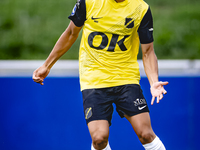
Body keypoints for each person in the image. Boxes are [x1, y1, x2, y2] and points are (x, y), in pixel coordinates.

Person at [32, 0, 168, 149]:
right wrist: (47, 65)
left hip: (126, 78)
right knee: (99, 139)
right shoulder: (88, 2)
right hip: (94, 80)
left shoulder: (141, 9)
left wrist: (153, 81)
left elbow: (148, 52)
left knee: (146, 134)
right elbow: (71, 33)